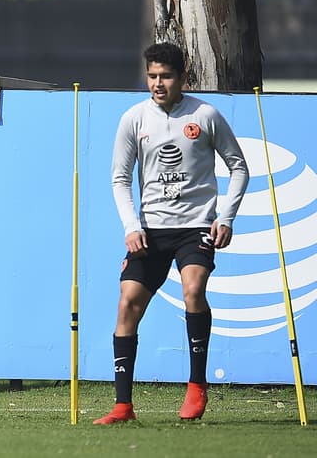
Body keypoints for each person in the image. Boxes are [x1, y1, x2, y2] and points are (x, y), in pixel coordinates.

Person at [94, 41, 250, 425]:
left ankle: (197, 386)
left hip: (196, 227)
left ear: (183, 77)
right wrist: (132, 227)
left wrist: (225, 217)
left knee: (193, 288)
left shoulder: (206, 115)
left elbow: (239, 167)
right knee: (127, 302)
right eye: (152, 76)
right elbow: (118, 179)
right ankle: (122, 406)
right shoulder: (133, 119)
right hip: (151, 231)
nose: (157, 83)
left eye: (165, 76)